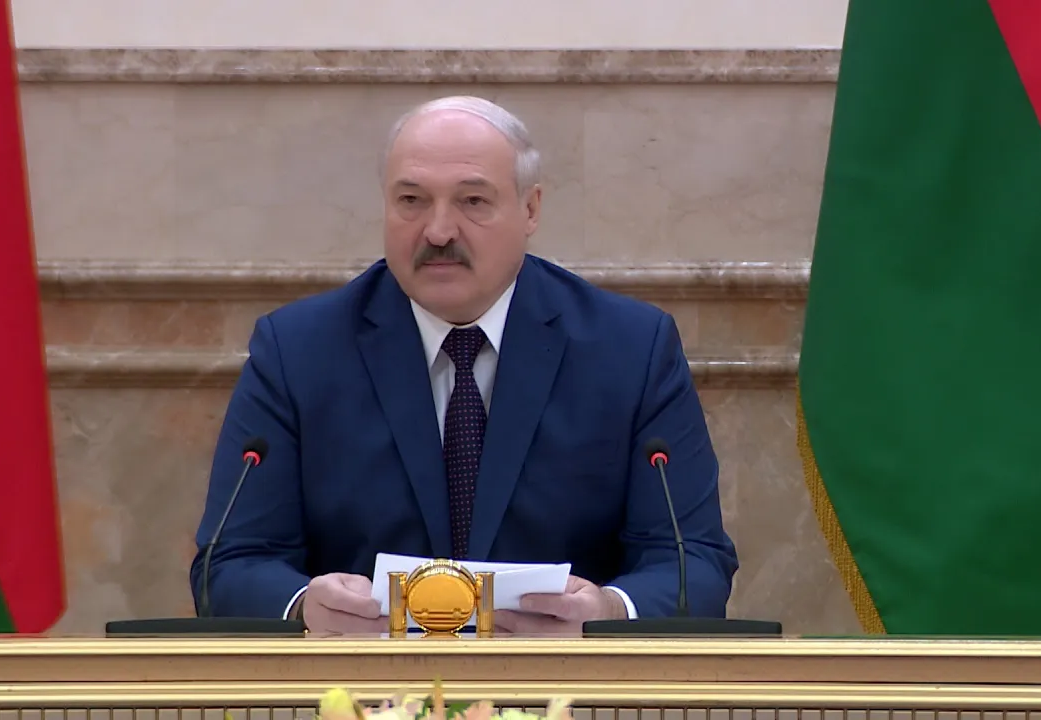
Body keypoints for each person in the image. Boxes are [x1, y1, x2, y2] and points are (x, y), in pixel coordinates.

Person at [189, 95, 738, 635]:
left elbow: (693, 562)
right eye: (411, 200)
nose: (438, 231)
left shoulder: (630, 349)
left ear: (530, 209)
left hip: (563, 681)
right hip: (360, 681)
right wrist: (303, 606)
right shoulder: (298, 350)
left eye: (473, 201)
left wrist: (608, 613)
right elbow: (229, 563)